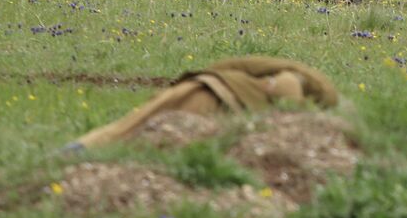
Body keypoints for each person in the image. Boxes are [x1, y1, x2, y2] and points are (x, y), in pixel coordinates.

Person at [69, 57, 339, 149]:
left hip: (206, 88)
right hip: (212, 98)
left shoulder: (312, 88)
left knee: (128, 130)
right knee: (135, 136)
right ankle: (74, 154)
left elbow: (239, 64)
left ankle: (75, 151)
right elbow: (286, 85)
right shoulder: (313, 87)